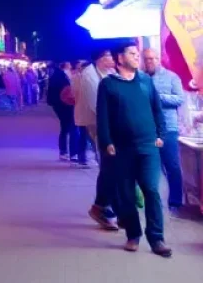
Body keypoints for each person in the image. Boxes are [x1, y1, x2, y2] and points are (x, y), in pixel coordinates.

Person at [96, 43, 171, 257]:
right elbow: (103, 117)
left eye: (137, 54)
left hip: (148, 147)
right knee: (126, 193)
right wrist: (106, 142)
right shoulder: (108, 85)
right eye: (132, 53)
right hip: (122, 149)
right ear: (120, 58)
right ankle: (133, 235)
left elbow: (157, 109)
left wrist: (161, 134)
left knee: (151, 190)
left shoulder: (146, 81)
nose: (137, 56)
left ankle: (156, 238)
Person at [76, 46, 117, 230]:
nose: (113, 58)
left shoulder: (108, 74)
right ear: (101, 58)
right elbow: (97, 106)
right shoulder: (90, 76)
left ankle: (108, 207)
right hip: (101, 126)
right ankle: (102, 207)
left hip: (110, 125)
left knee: (111, 167)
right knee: (109, 166)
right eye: (109, 55)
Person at [142, 47, 185, 215]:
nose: (150, 62)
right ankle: (152, 201)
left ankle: (175, 201)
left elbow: (179, 99)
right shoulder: (141, 78)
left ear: (159, 59)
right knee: (150, 167)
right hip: (148, 128)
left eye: (153, 58)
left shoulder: (171, 77)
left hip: (168, 128)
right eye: (147, 59)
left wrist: (159, 97)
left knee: (172, 165)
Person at [47, 61, 78, 161]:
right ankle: (73, 153)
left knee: (65, 127)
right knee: (72, 126)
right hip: (64, 104)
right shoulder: (61, 75)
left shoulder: (57, 74)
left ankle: (63, 151)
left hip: (61, 104)